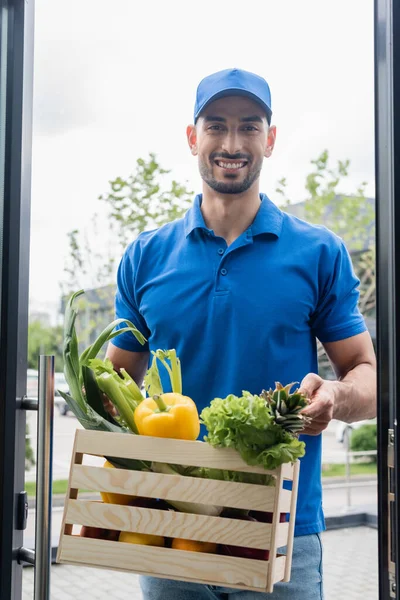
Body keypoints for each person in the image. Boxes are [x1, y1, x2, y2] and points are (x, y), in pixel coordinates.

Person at [105, 68, 377, 600]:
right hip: (170, 527)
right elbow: (116, 381)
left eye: (249, 127)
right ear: (193, 138)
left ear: (270, 140)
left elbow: (365, 376)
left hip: (283, 527)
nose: (232, 143)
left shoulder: (319, 252)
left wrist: (337, 398)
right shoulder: (145, 256)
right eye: (217, 125)